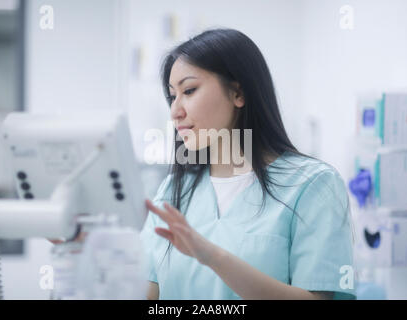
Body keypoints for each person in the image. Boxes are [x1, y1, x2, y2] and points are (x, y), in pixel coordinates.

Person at [140, 28, 356, 300]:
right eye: (172, 96)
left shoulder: (313, 184)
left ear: (238, 93)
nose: (175, 111)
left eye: (189, 90)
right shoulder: (174, 190)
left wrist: (213, 256)